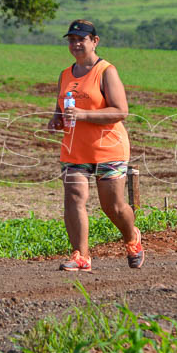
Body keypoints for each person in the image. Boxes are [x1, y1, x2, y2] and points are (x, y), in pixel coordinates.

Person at [48, 19, 144, 272]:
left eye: (81, 39)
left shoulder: (106, 71)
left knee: (112, 206)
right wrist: (56, 119)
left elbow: (120, 111)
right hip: (74, 148)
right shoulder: (65, 75)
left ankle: (132, 237)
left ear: (94, 41)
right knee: (74, 197)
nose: (76, 44)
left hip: (108, 148)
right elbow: (61, 108)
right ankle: (81, 255)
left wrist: (83, 115)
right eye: (71, 39)